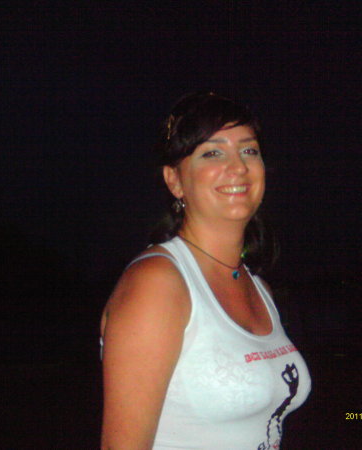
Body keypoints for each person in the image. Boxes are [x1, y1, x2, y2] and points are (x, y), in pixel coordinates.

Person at [100, 92, 311, 449]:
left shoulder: (258, 287)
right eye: (212, 153)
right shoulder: (158, 283)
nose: (238, 167)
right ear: (175, 181)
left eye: (249, 150)